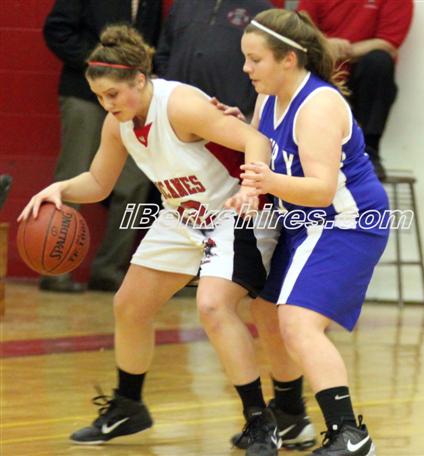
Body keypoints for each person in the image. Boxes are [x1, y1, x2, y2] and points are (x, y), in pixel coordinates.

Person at [18, 25, 285, 456]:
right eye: (99, 97)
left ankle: (259, 420)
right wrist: (60, 189)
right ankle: (129, 406)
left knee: (213, 307)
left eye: (113, 94)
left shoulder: (180, 105)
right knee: (129, 305)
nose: (107, 104)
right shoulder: (118, 123)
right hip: (182, 215)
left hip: (233, 212)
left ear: (140, 80)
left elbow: (255, 140)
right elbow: (99, 182)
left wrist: (252, 189)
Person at [225, 9, 390, 455]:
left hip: (347, 222)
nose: (246, 68)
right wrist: (249, 184)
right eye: (245, 58)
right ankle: (291, 416)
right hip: (304, 222)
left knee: (298, 322)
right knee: (265, 309)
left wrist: (267, 182)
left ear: (288, 59)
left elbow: (321, 190)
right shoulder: (268, 97)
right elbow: (259, 150)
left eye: (255, 59)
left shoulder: (317, 105)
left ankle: (349, 434)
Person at [41, 0, 163, 292]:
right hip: (84, 95)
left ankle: (109, 270)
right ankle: (55, 270)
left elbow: (151, 45)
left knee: (134, 183)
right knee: (73, 176)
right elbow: (56, 30)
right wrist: (101, 68)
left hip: (132, 102)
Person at [297, 0, 413, 180]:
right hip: (323, 70)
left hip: (362, 80)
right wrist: (324, 46)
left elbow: (388, 44)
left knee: (379, 61)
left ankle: (369, 153)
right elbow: (301, 31)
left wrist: (345, 50)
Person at [154, 0, 273, 119]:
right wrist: (170, 81)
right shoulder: (183, 4)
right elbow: (163, 52)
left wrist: (246, 103)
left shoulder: (261, 10)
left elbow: (270, 66)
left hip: (231, 115)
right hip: (176, 109)